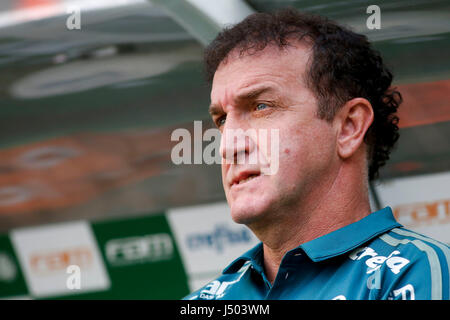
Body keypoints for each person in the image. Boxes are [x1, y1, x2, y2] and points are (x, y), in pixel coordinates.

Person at [184, 8, 449, 300]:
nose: (227, 146)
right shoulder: (203, 302)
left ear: (349, 127)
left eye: (261, 106)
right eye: (222, 120)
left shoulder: (417, 272)